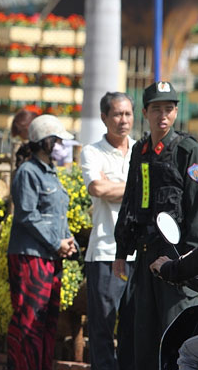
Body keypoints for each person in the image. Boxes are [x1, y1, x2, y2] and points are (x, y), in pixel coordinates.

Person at [114, 81, 198, 370]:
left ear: (176, 113)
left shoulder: (187, 150)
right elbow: (131, 200)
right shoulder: (141, 150)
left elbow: (195, 207)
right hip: (146, 255)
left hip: (177, 260)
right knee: (142, 334)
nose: (163, 115)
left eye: (169, 109)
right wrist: (121, 251)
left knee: (175, 331)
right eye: (156, 109)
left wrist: (187, 260)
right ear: (145, 112)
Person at [7, 114, 77, 370]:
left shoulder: (52, 174)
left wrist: (69, 243)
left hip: (50, 257)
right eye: (58, 141)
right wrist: (56, 242)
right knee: (29, 321)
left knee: (48, 320)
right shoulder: (28, 172)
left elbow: (58, 215)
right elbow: (27, 214)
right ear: (44, 142)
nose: (62, 147)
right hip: (30, 256)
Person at [80, 92, 136, 370]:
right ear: (104, 117)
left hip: (139, 253)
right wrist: (137, 190)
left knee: (133, 329)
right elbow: (98, 189)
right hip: (105, 252)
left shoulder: (141, 150)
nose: (123, 120)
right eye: (117, 114)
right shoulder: (92, 152)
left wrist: (116, 188)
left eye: (127, 114)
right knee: (102, 327)